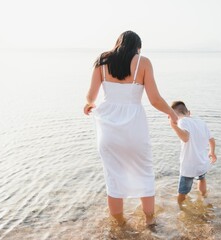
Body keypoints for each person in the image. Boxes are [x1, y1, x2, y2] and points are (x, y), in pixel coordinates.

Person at [83, 31, 178, 226]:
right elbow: (155, 99)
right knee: (144, 173)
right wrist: (171, 113)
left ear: (117, 44)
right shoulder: (143, 62)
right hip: (134, 127)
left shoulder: (102, 61)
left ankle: (118, 226)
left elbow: (90, 97)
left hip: (108, 129)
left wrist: (89, 104)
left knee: (114, 177)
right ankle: (150, 223)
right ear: (138, 47)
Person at [169, 101, 217, 205]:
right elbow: (212, 140)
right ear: (189, 112)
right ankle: (204, 197)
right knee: (202, 179)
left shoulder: (181, 121)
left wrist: (174, 126)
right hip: (202, 162)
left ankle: (180, 208)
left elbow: (185, 138)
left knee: (182, 192)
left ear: (173, 116)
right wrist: (212, 152)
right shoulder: (200, 121)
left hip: (189, 165)